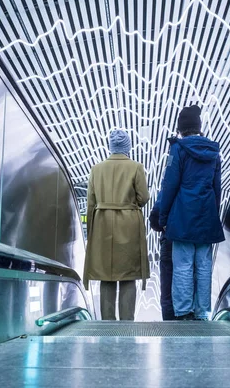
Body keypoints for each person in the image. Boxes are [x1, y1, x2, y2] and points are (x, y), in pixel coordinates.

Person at [158, 105, 225, 320]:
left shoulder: (178, 149)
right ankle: (202, 312)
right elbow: (217, 188)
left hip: (182, 216)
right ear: (199, 127)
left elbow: (170, 185)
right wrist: (213, 213)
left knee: (183, 265)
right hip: (206, 216)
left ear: (181, 129)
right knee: (204, 266)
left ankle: (183, 311)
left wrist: (163, 217)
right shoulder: (214, 152)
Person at [83, 130, 150, 321]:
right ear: (128, 147)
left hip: (102, 224)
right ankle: (127, 324)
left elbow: (90, 203)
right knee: (128, 275)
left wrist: (91, 233)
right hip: (128, 223)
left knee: (107, 275)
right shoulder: (136, 167)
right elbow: (143, 197)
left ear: (110, 146)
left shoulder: (96, 169)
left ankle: (107, 324)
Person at [149, 196, 174, 321]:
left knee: (167, 291)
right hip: (195, 243)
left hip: (169, 242)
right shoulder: (203, 185)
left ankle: (169, 328)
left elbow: (154, 219)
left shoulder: (168, 189)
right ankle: (193, 325)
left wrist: (165, 225)